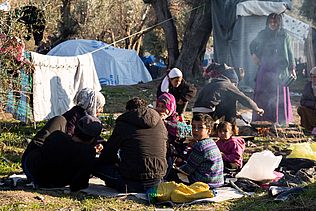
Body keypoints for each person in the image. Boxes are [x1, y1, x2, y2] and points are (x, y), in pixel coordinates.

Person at [94, 97, 168, 193]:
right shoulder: (159, 122)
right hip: (157, 181)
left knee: (92, 164)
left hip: (131, 182)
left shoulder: (124, 123)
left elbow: (108, 154)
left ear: (128, 111)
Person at [22, 115, 103, 191]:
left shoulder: (57, 136)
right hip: (56, 183)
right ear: (93, 139)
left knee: (60, 119)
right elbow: (79, 185)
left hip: (31, 169)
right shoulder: (88, 152)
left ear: (75, 129)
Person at [250, 13, 296, 125]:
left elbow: (290, 53)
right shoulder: (262, 34)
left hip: (280, 70)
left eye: (275, 22)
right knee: (262, 93)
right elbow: (252, 45)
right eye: (270, 22)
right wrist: (254, 55)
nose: (272, 24)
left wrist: (292, 68)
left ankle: (280, 120)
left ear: (279, 23)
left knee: (279, 93)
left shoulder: (284, 35)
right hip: (264, 68)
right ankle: (261, 120)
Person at [166, 113, 224, 188]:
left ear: (208, 131)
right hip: (217, 181)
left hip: (205, 183)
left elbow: (188, 169)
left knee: (170, 173)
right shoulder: (211, 142)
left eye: (200, 128)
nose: (195, 130)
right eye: (193, 127)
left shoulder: (200, 146)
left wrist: (176, 169)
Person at [193, 67, 264, 124]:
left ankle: (224, 126)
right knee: (231, 101)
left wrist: (235, 113)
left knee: (227, 99)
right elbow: (244, 98)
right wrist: (257, 109)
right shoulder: (227, 84)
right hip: (208, 113)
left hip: (195, 112)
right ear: (233, 81)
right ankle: (231, 127)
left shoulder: (213, 83)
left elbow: (214, 101)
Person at [155, 92, 192, 168]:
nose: (159, 109)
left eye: (163, 106)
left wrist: (165, 123)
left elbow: (189, 132)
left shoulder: (176, 122)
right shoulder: (154, 120)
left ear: (171, 107)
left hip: (174, 158)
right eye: (158, 106)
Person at [297, 67, 316, 132]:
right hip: (311, 109)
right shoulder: (308, 86)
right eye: (313, 77)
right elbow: (302, 101)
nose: (314, 79)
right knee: (301, 109)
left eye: (315, 77)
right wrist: (313, 104)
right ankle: (306, 129)